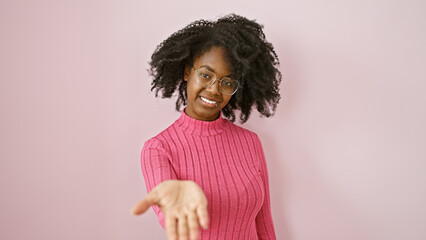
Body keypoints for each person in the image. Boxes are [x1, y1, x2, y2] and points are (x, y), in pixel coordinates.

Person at [131, 13, 282, 240]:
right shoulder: (159, 149)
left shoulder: (251, 142)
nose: (213, 90)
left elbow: (264, 223)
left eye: (227, 82)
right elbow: (171, 217)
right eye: (205, 75)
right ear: (185, 72)